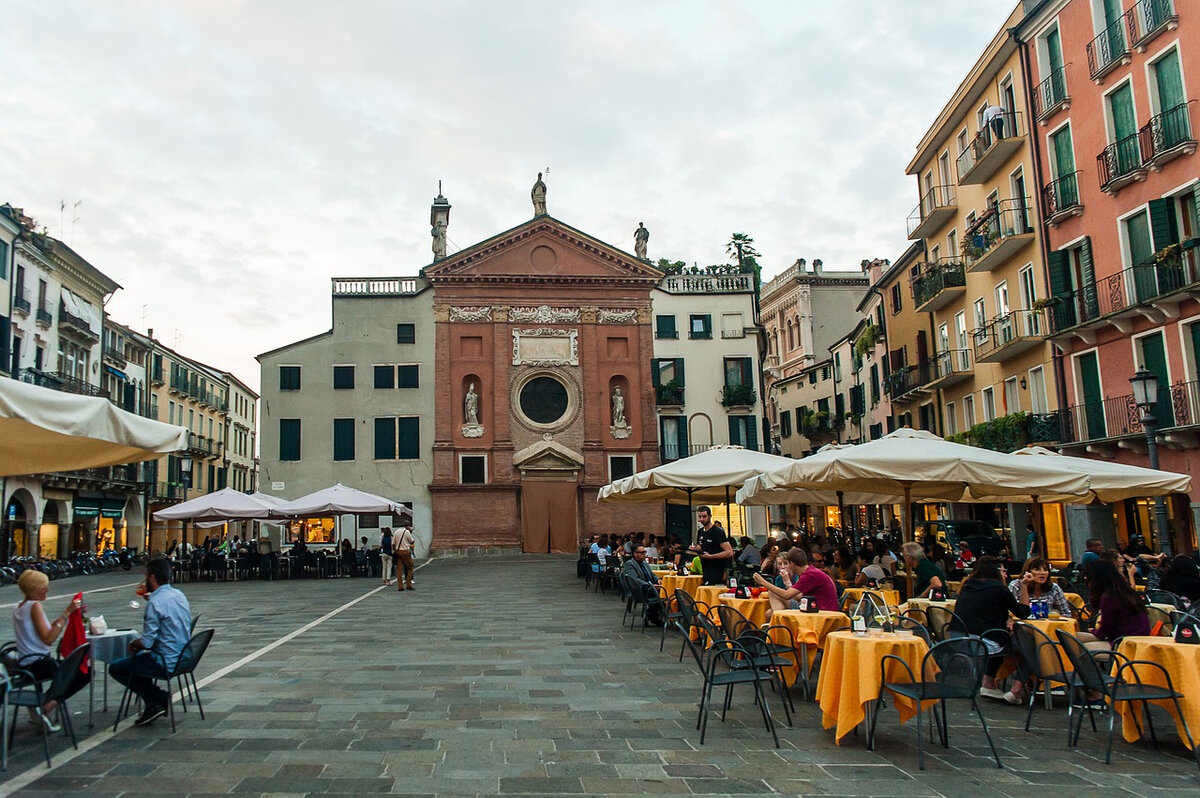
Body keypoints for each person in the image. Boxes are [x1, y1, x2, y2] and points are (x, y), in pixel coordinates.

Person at [109, 557, 192, 727]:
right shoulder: (179, 594)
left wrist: (134, 643)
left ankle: (155, 698)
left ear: (152, 578)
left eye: (146, 575)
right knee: (137, 662)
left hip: (165, 660)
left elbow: (147, 642)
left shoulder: (155, 602)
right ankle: (153, 700)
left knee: (117, 667)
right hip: (184, 656)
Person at [9, 571, 89, 731]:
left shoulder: (19, 606)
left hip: (24, 662)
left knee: (67, 670)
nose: (47, 590)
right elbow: (48, 639)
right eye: (44, 588)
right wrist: (66, 613)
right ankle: (46, 706)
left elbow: (40, 630)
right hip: (37, 663)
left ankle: (43, 704)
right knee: (84, 672)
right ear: (35, 589)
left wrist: (63, 618)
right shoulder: (35, 606)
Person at [954, 557, 1031, 703]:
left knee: (1001, 639)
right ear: (996, 572)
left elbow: (986, 611)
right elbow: (1023, 613)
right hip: (983, 640)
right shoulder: (999, 589)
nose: (1006, 575)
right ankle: (1016, 690)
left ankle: (988, 683)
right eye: (1003, 571)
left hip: (957, 638)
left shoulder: (968, 585)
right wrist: (1025, 586)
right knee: (1029, 646)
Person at [753, 548, 839, 617]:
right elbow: (798, 597)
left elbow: (787, 595)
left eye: (787, 563)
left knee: (772, 593)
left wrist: (764, 582)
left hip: (823, 612)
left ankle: (780, 625)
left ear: (792, 563)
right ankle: (778, 623)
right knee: (769, 612)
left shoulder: (810, 574)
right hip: (814, 607)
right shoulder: (809, 572)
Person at [1009, 556, 1073, 616]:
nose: (1042, 573)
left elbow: (1066, 613)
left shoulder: (1054, 588)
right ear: (1027, 572)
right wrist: (1024, 585)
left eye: (1045, 570)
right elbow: (1012, 613)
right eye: (1037, 569)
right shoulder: (1016, 585)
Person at [621, 545, 664, 625]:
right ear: (635, 554)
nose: (644, 554)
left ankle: (651, 614)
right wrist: (650, 585)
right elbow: (635, 579)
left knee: (664, 592)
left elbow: (652, 575)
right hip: (640, 590)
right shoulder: (630, 564)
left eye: (644, 552)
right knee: (661, 595)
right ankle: (653, 616)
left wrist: (657, 579)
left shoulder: (644, 563)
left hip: (649, 588)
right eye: (641, 552)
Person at [692, 506, 733, 585]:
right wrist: (694, 550)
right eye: (700, 517)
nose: (702, 519)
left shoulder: (717, 532)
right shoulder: (700, 531)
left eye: (704, 516)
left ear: (710, 516)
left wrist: (710, 556)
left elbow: (729, 552)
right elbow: (700, 547)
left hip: (717, 570)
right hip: (705, 569)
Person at [394, 524, 416, 591]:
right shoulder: (407, 532)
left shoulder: (396, 532)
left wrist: (395, 551)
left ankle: (400, 586)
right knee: (410, 567)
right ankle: (408, 584)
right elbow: (412, 541)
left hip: (398, 552)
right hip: (405, 552)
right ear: (407, 526)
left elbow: (393, 543)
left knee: (399, 570)